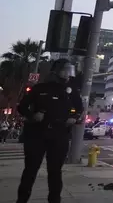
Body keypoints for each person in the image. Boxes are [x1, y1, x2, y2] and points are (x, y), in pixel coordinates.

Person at [16, 58, 83, 203]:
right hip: (36, 134)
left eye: (69, 71)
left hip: (59, 134)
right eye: (65, 70)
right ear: (57, 71)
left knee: (55, 172)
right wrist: (33, 116)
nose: (68, 74)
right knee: (30, 170)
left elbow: (79, 108)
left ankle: (54, 200)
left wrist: (74, 117)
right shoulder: (40, 88)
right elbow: (21, 107)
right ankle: (21, 199)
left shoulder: (71, 90)